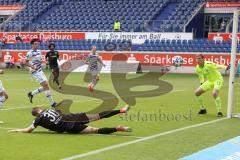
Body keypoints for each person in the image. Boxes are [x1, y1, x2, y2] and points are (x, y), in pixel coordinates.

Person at [9, 105, 132, 134]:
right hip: (74, 117)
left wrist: (16, 130)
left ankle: (117, 128)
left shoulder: (38, 120)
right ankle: (121, 110)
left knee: (96, 130)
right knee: (99, 115)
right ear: (40, 109)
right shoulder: (51, 109)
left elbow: (28, 130)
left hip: (69, 127)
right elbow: (61, 113)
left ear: (36, 115)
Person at [25, 39, 57, 107]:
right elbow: (25, 62)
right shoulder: (29, 53)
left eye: (37, 44)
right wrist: (33, 67)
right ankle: (52, 103)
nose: (37, 45)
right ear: (32, 45)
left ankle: (31, 94)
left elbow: (40, 60)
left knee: (46, 86)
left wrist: (45, 62)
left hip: (40, 71)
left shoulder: (39, 51)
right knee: (45, 85)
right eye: (35, 44)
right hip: (35, 72)